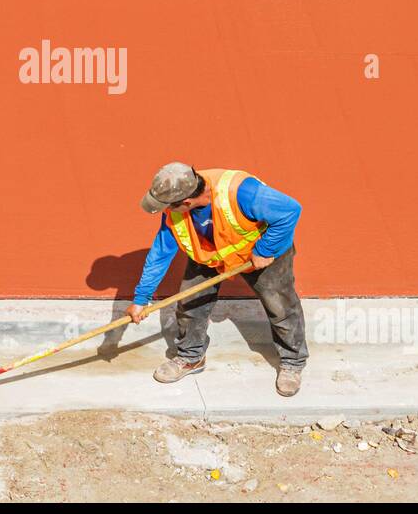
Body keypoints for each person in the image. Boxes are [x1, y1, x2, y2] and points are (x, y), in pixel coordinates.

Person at [127, 162, 307, 396]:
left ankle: (292, 363)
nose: (164, 212)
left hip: (260, 253)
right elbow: (160, 252)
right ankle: (190, 357)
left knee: (281, 306)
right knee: (191, 301)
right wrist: (141, 298)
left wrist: (264, 250)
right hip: (210, 253)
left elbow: (291, 210)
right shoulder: (177, 211)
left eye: (166, 207)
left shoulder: (241, 192)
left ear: (186, 202)